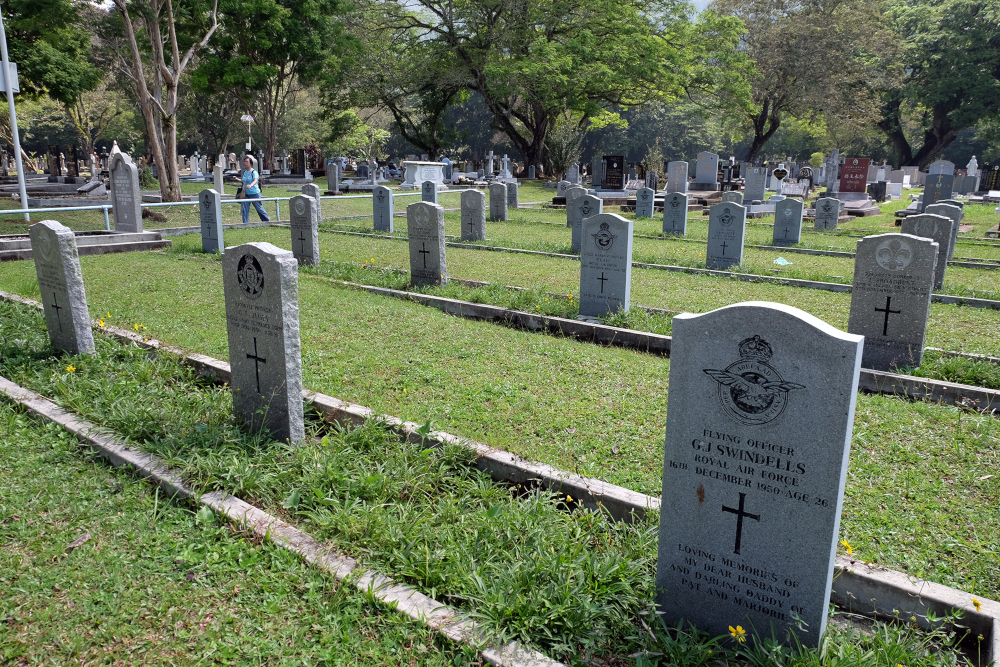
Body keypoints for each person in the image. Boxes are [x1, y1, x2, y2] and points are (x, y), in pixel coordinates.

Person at [240, 156, 270, 224]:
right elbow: (244, 181)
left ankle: (267, 220)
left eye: (247, 162)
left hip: (254, 193)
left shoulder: (254, 172)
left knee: (259, 208)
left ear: (251, 163)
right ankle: (245, 223)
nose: (245, 163)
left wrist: (251, 185)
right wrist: (237, 179)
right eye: (244, 162)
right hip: (246, 193)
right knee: (245, 209)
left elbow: (255, 180)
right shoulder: (245, 172)